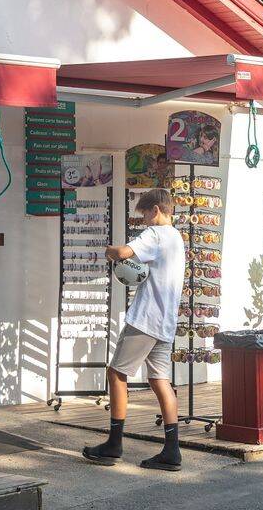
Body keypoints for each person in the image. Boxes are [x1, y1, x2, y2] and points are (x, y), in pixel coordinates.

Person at [83, 188, 184, 471]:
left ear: (155, 210)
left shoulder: (156, 234)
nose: (144, 221)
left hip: (145, 319)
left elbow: (124, 253)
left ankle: (113, 445)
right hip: (165, 322)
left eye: (144, 215)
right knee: (160, 380)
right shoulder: (177, 238)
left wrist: (109, 251)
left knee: (116, 373)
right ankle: (172, 451)